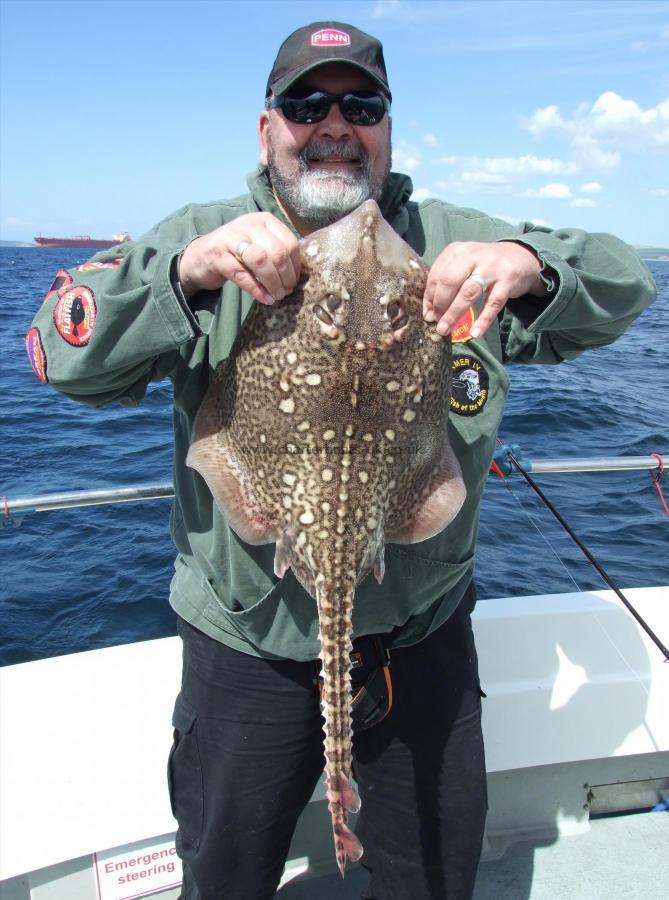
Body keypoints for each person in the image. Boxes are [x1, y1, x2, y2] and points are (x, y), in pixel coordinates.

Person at [26, 20, 656, 900]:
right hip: (245, 646)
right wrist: (184, 275)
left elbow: (627, 282)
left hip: (420, 641)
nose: (332, 123)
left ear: (388, 126)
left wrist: (531, 266)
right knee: (226, 874)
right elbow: (59, 352)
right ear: (267, 128)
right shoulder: (204, 236)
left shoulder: (454, 239)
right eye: (305, 104)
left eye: (360, 105)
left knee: (431, 879)